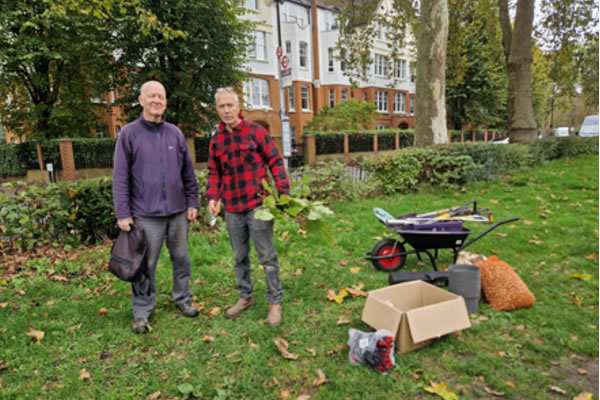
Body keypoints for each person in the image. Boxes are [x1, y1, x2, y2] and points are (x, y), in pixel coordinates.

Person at [113, 80, 200, 334]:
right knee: (145, 265)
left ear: (165, 102)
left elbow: (188, 174)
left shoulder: (175, 133)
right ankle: (142, 311)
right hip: (145, 214)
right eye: (151, 96)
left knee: (181, 258)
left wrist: (192, 202)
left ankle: (183, 298)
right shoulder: (129, 133)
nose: (157, 100)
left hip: (177, 212)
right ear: (141, 101)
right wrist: (122, 213)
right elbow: (120, 177)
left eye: (161, 96)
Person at [206, 87, 290, 327]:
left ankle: (275, 301)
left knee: (267, 256)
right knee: (239, 256)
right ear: (217, 110)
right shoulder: (216, 141)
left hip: (258, 206)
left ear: (238, 107)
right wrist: (213, 196)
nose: (226, 110)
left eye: (230, 105)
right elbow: (214, 173)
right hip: (232, 209)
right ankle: (246, 297)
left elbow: (275, 161)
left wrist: (283, 192)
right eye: (221, 106)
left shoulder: (256, 133)